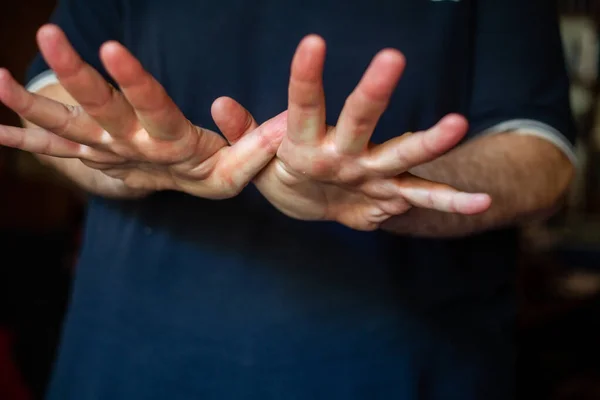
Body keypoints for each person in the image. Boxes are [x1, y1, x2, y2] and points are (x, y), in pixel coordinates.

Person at [0, 0, 576, 398]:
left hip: (405, 372)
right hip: (128, 366)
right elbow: (52, 93)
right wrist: (127, 161)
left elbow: (543, 158)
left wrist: (392, 185)